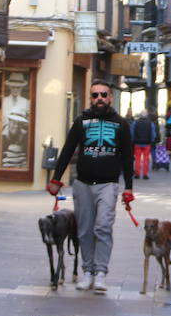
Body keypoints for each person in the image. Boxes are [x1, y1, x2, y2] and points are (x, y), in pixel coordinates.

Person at [47, 80, 135, 294]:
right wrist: (56, 179)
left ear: (111, 97)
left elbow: (127, 158)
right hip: (83, 184)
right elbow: (67, 150)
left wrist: (129, 187)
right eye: (95, 95)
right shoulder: (81, 121)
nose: (99, 99)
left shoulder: (121, 124)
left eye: (103, 95)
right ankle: (87, 272)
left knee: (103, 226)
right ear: (90, 98)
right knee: (85, 229)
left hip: (108, 185)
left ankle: (101, 273)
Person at [131, 110, 159, 181]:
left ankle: (137, 174)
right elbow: (153, 134)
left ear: (140, 115)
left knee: (137, 159)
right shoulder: (151, 123)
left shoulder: (135, 122)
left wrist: (132, 140)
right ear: (146, 115)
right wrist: (152, 140)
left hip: (137, 143)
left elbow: (132, 132)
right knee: (146, 159)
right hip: (147, 143)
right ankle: (145, 174)